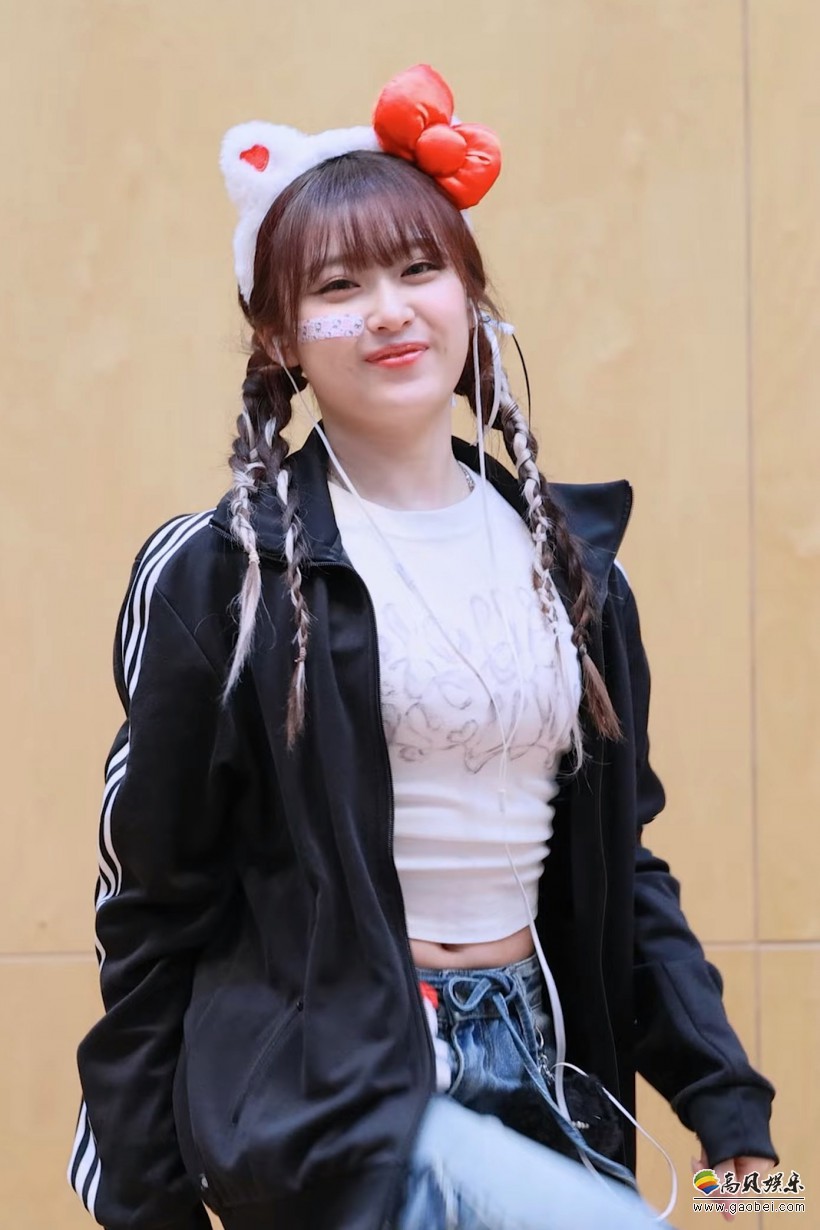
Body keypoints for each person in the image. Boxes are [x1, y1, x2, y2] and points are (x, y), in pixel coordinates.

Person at [68, 65, 777, 1230]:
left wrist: (730, 1119)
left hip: (544, 1060)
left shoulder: (576, 571)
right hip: (335, 1095)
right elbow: (150, 907)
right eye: (337, 286)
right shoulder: (225, 571)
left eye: (417, 270)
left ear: (470, 295)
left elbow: (624, 868)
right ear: (281, 335)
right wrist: (146, 1204)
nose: (389, 311)